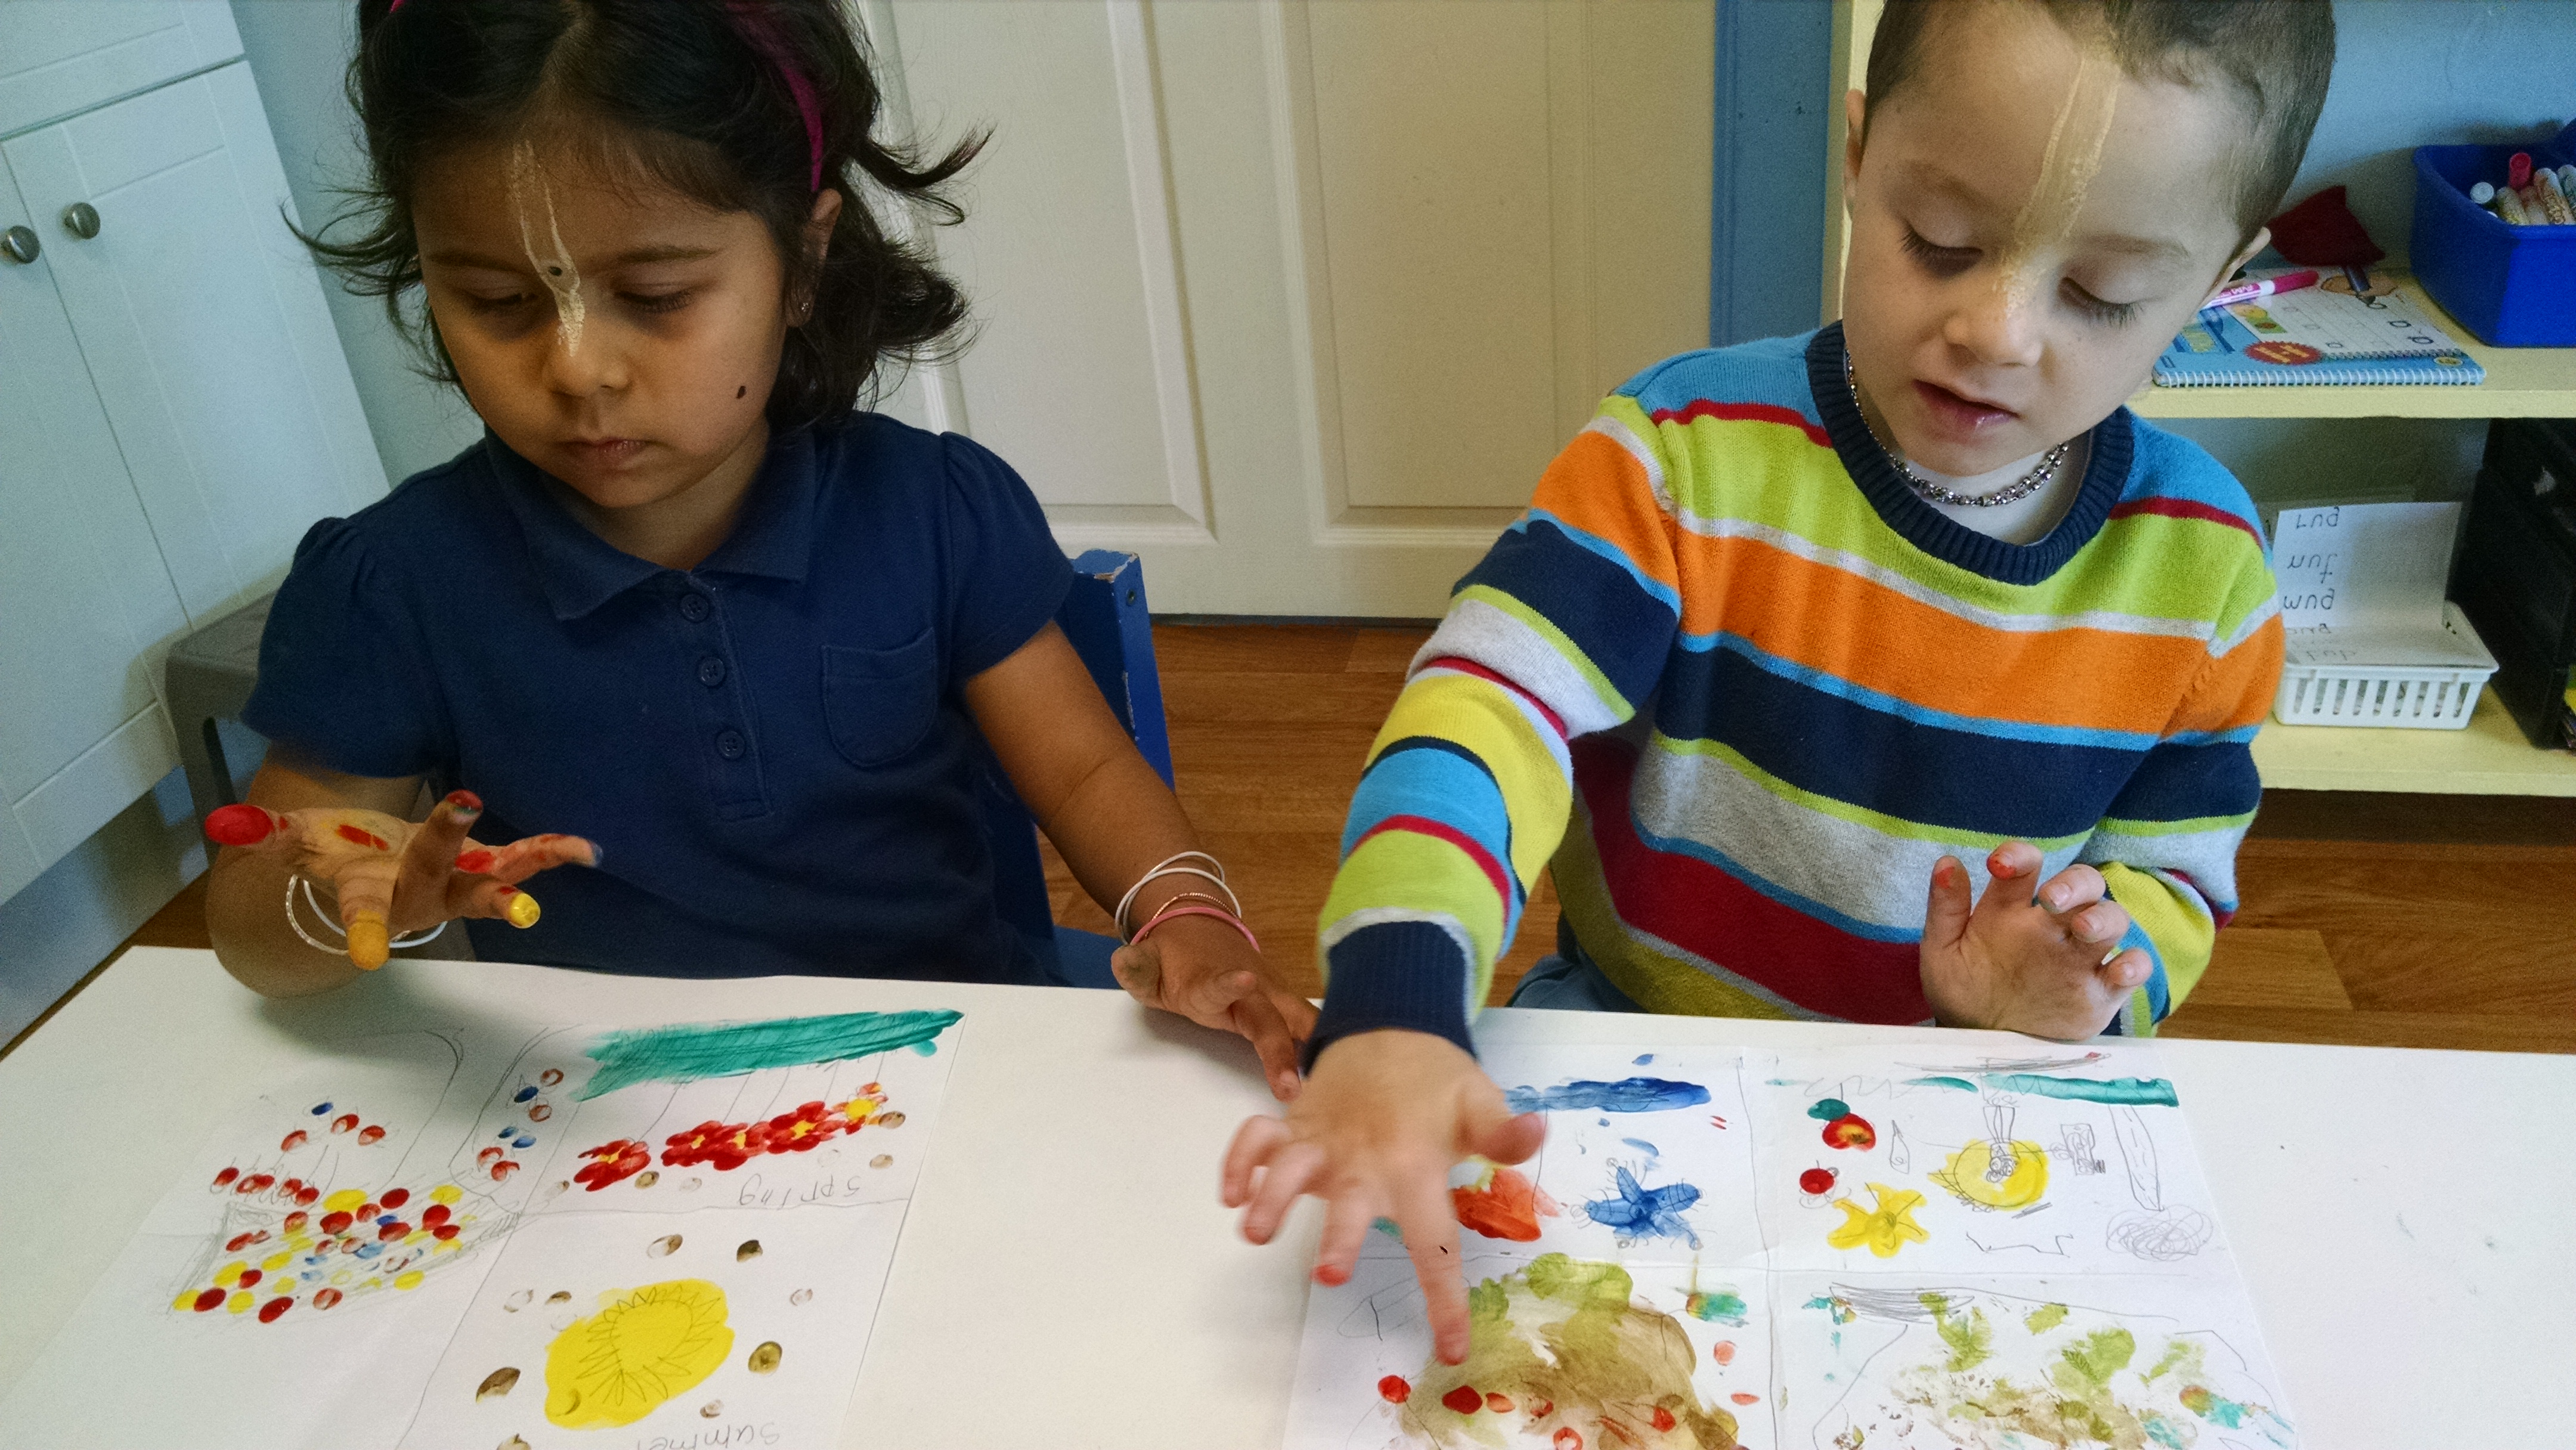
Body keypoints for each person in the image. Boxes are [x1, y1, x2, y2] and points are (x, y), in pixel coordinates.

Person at [1225, 0, 2328, 1362]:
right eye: (1942, 241)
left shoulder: (2208, 576)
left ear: (2220, 276)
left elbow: (2175, 881)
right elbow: (1486, 705)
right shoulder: (1680, 453)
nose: (1996, 330)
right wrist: (1399, 993)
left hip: (1956, 1094)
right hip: (1630, 1046)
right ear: (1859, 159)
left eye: (2100, 294)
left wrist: (2084, 983)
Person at [203, 0, 1313, 1100]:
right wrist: (329, 900)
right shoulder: (396, 587)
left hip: (946, 1070)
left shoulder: (929, 511)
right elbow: (254, 933)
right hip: (609, 1115)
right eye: (498, 301)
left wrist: (1188, 915)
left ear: (804, 260)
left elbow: (1085, 772)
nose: (580, 370)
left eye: (656, 297)